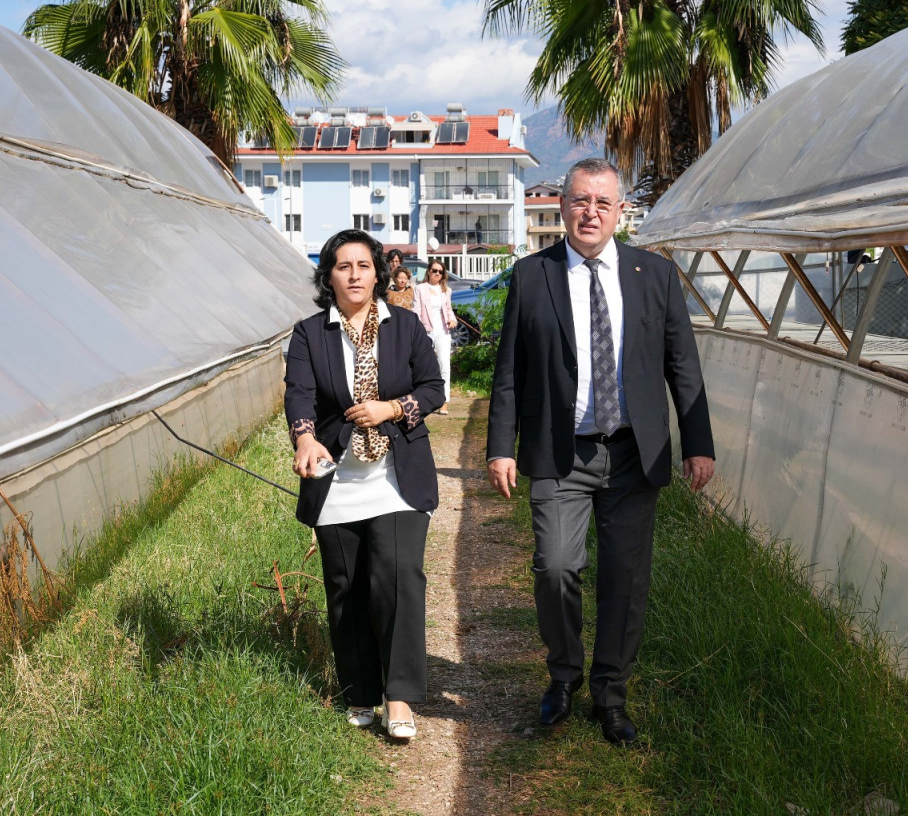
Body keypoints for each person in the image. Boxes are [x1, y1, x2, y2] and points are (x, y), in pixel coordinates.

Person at [486, 158, 715, 746]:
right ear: (563, 206)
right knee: (555, 566)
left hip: (634, 451)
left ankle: (611, 692)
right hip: (561, 451)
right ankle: (564, 674)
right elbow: (510, 370)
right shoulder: (532, 276)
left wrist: (698, 445)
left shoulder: (654, 274)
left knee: (625, 578)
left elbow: (683, 367)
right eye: (580, 200)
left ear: (620, 212)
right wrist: (500, 447)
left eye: (602, 203)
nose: (590, 212)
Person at [284, 229, 445, 740]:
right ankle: (360, 691)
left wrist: (391, 408)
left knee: (397, 577)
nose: (354, 275)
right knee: (347, 587)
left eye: (363, 265)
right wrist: (305, 439)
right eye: (342, 266)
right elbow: (299, 395)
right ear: (328, 276)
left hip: (396, 477)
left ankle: (399, 696)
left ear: (378, 273)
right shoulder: (309, 334)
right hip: (339, 480)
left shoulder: (405, 327)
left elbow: (433, 388)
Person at [413, 259, 456, 415]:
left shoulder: (446, 290)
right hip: (425, 330)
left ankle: (444, 401)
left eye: (440, 272)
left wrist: (452, 319)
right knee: (424, 366)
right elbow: (416, 310)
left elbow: (449, 309)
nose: (437, 274)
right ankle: (423, 400)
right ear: (429, 271)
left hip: (443, 331)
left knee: (444, 364)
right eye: (434, 270)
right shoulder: (420, 288)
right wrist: (418, 330)